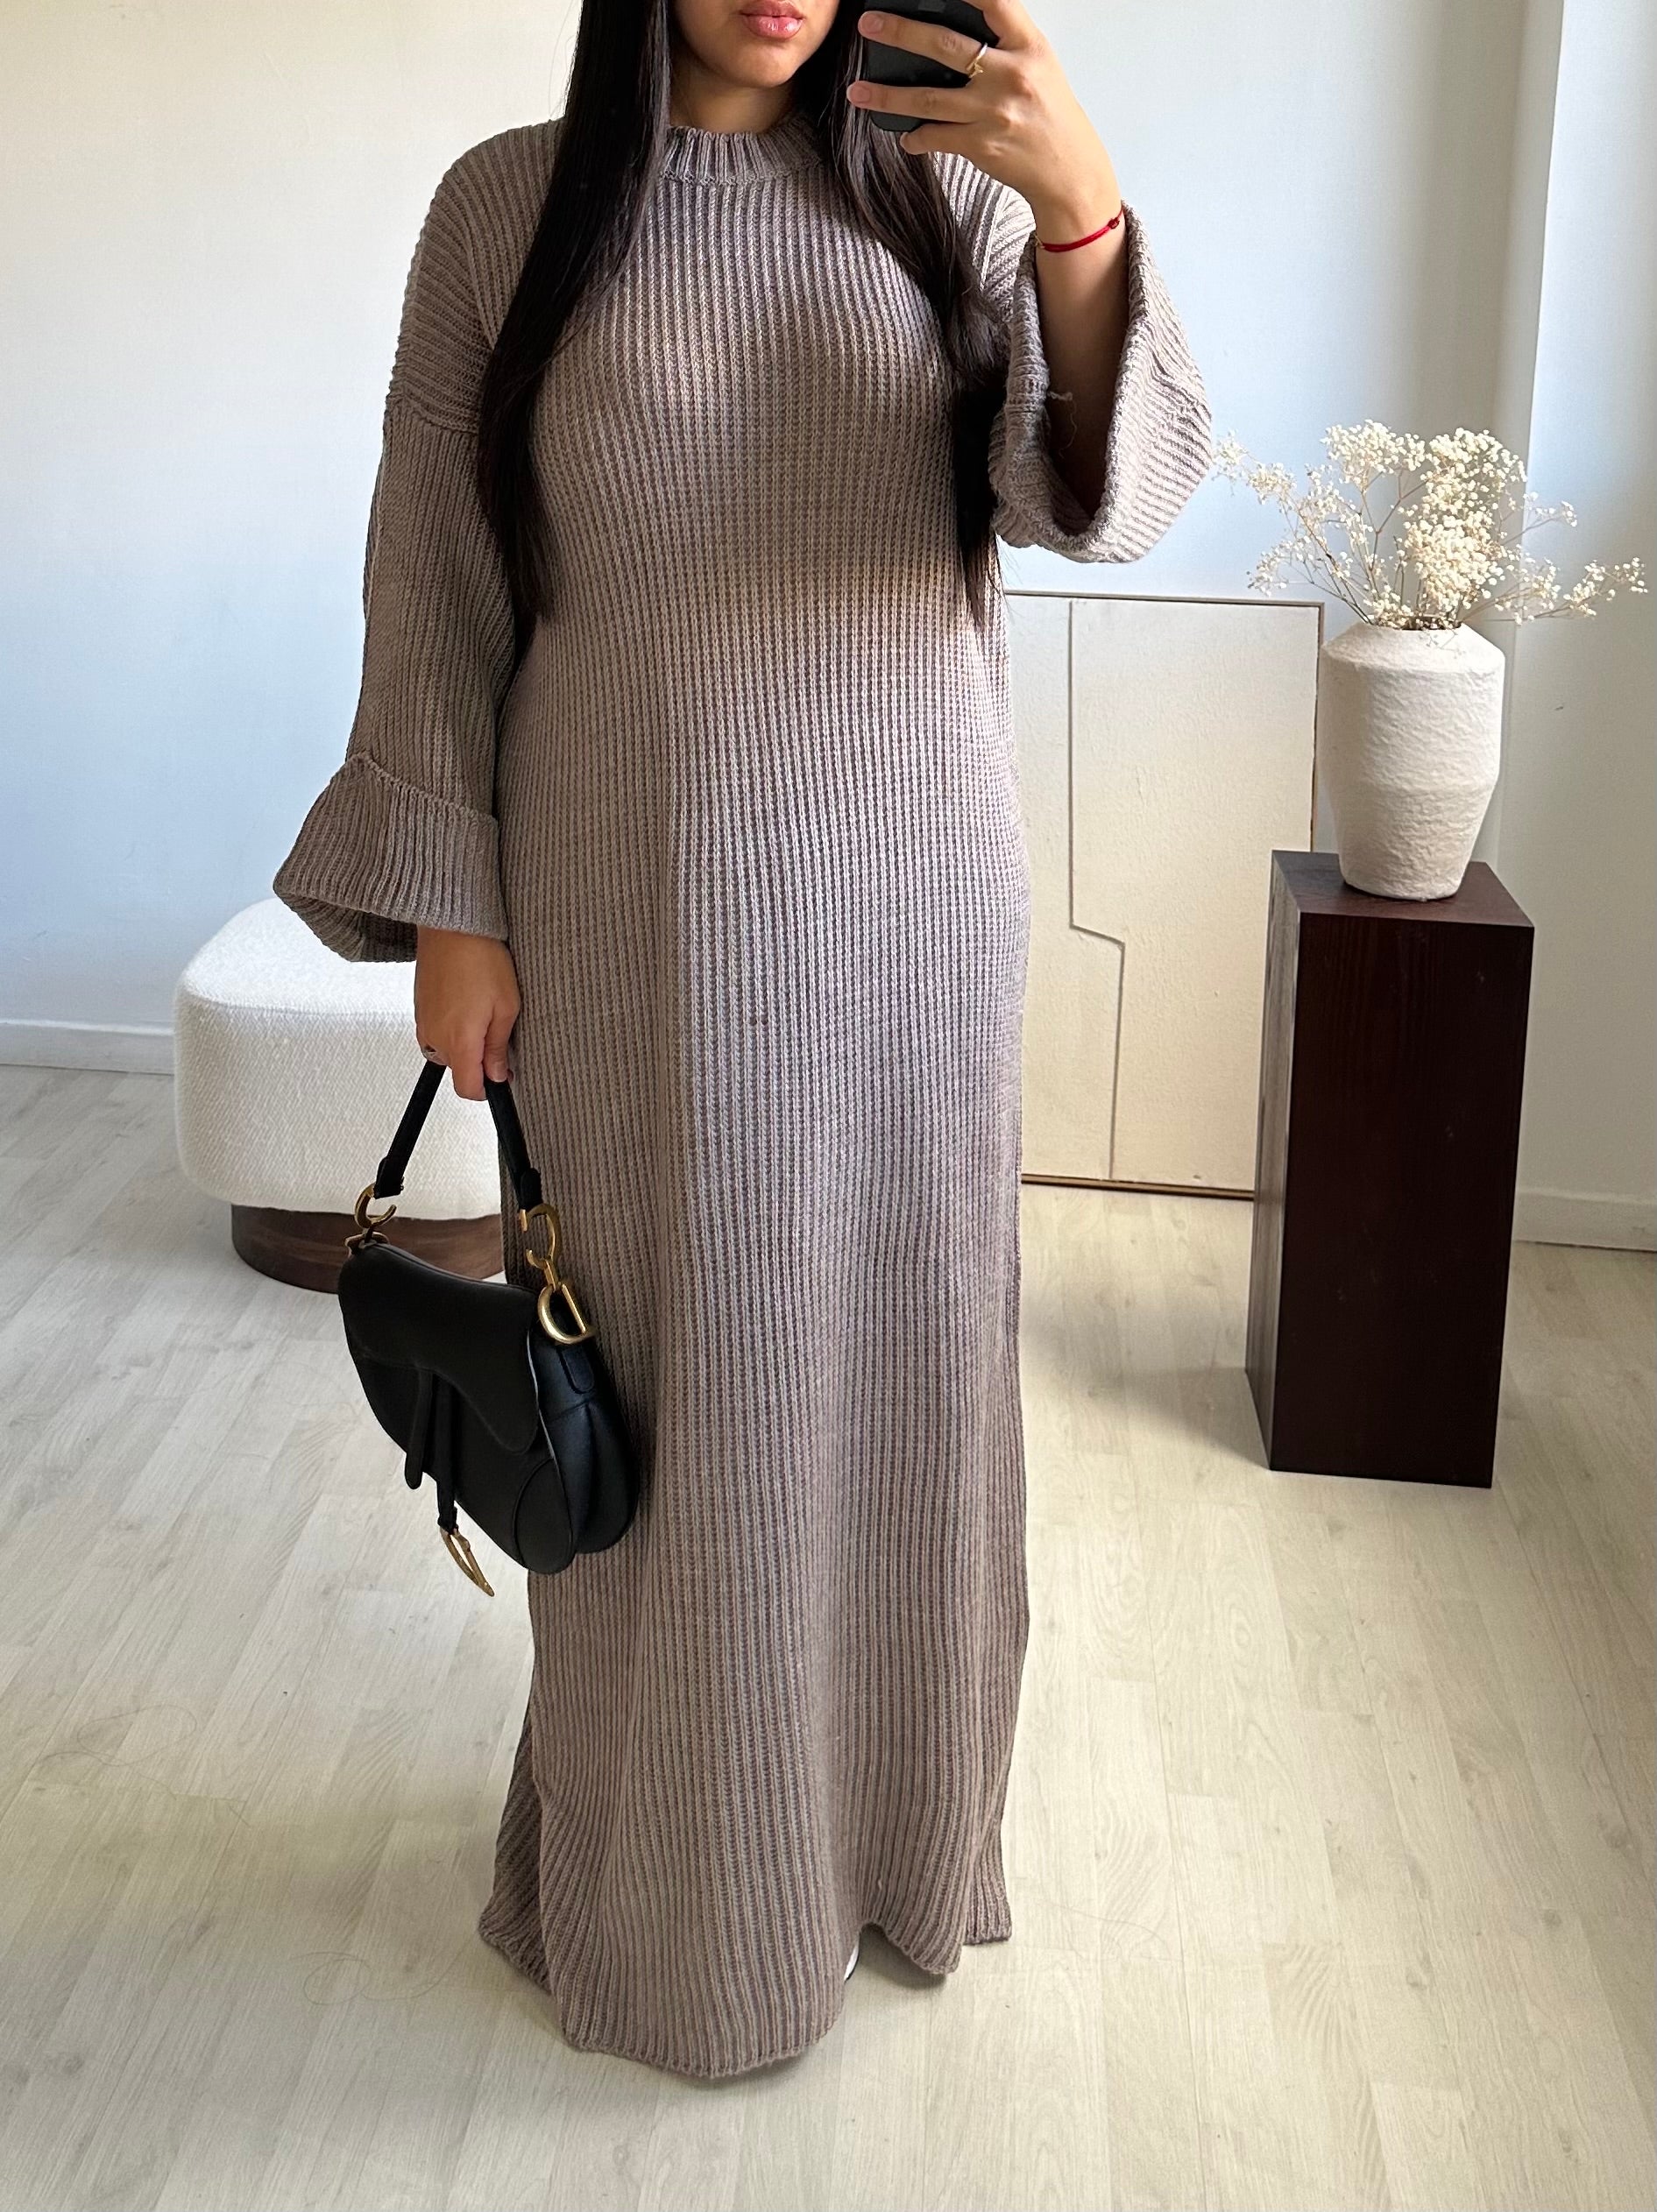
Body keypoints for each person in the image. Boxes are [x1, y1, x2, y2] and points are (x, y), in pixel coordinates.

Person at [273, 0, 1210, 2080]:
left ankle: (888, 1847)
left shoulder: (957, 193)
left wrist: (1080, 214)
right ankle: (684, 1911)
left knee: (904, 1382)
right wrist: (451, 905)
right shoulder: (507, 210)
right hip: (627, 907)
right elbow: (433, 567)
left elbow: (1101, 506)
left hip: (911, 910)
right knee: (671, 1406)